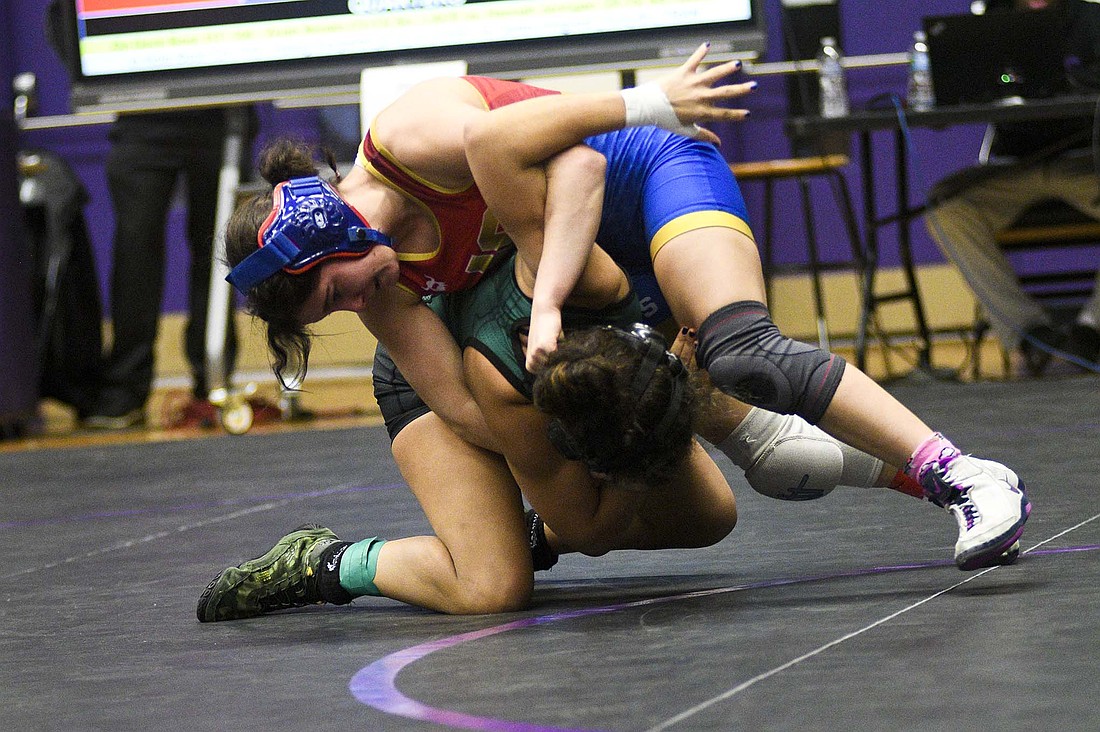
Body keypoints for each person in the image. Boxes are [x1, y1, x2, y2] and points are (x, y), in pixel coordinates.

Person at [222, 46, 1029, 574]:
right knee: (727, 450)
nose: (361, 302)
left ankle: (961, 473)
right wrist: (586, 438)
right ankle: (928, 482)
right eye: (341, 307)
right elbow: (470, 413)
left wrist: (649, 102)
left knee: (742, 350)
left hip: (641, 179)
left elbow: (572, 164)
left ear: (328, 231)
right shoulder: (388, 284)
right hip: (575, 276)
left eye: (342, 288)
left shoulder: (415, 139)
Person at [199, 246, 991, 622]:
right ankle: (328, 562)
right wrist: (623, 450)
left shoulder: (599, 274)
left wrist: (930, 476)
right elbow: (598, 525)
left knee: (707, 515)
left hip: (557, 365)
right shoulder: (495, 380)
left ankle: (530, 524)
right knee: (492, 587)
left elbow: (765, 440)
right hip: (466, 393)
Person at [925, 0, 1100, 377]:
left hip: (1082, 161)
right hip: (1011, 168)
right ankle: (1028, 335)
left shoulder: (1090, 16)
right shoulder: (987, 20)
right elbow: (960, 90)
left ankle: (1093, 331)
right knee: (947, 211)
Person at [82, 109, 246, 429]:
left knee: (219, 248)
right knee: (135, 250)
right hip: (141, 112)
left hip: (223, 111)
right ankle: (125, 388)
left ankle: (213, 384)